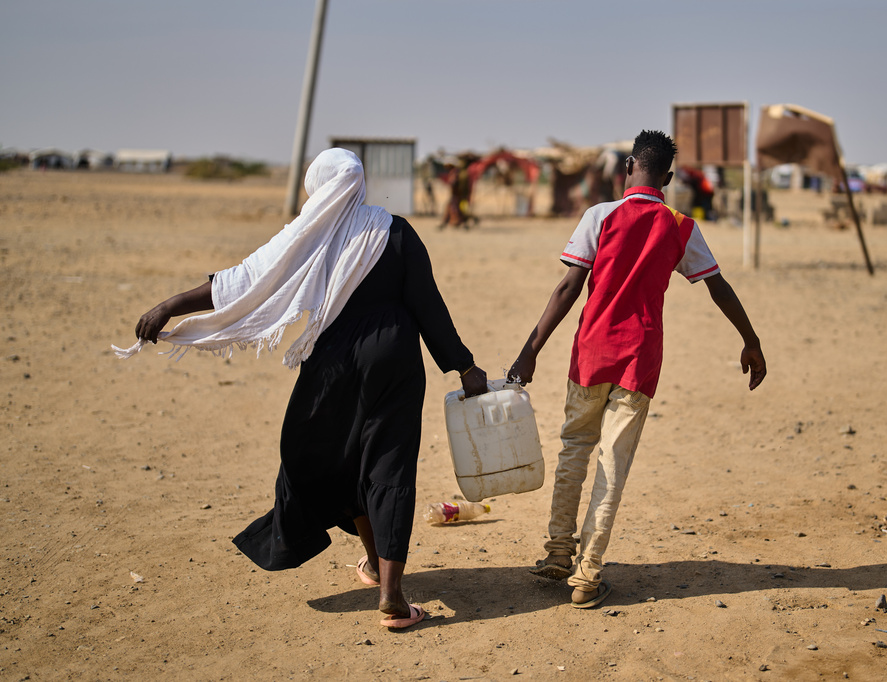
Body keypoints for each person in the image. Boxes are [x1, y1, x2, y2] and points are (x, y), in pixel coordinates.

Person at [121, 148, 488, 629]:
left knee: (331, 455)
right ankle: (390, 589)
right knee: (389, 465)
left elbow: (245, 280)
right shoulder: (395, 231)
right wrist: (464, 366)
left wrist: (173, 303)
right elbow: (428, 307)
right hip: (394, 360)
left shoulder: (307, 237)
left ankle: (382, 577)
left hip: (332, 363)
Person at [507, 130, 766, 609]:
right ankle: (586, 576)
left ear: (628, 167)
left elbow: (568, 287)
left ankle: (558, 553)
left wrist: (530, 351)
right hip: (639, 362)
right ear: (667, 178)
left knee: (574, 451)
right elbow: (717, 285)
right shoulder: (680, 226)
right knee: (613, 464)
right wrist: (750, 341)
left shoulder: (599, 216)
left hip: (589, 356)